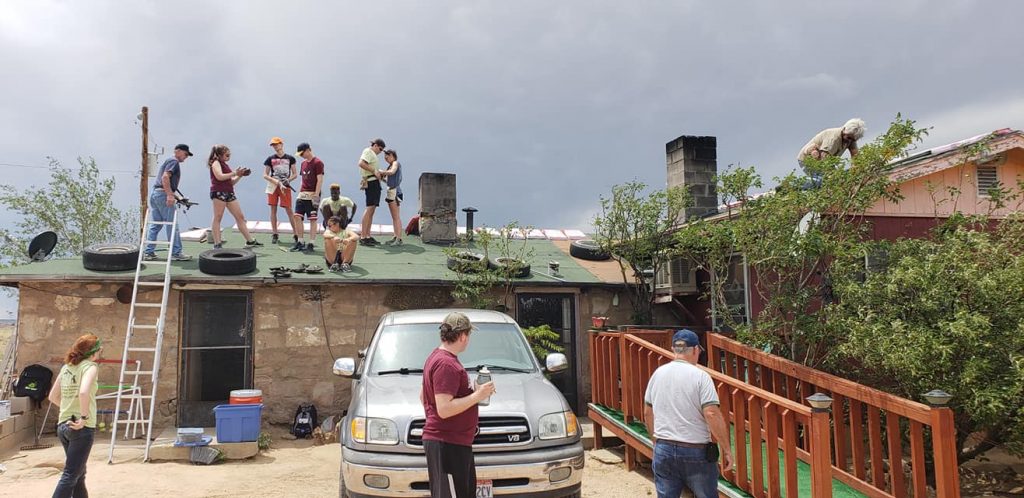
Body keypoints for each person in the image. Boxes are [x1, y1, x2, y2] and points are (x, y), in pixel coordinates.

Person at [643, 329, 734, 498]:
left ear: (673, 349)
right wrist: (726, 449)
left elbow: (648, 412)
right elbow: (711, 413)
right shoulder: (701, 376)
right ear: (694, 350)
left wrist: (655, 440)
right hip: (696, 450)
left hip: (664, 447)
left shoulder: (657, 374)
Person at [420, 312, 496, 498]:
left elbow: (423, 397)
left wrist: (472, 393)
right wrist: (478, 395)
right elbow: (444, 409)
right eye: (468, 335)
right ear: (462, 336)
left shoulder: (437, 358)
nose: (468, 339)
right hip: (448, 444)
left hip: (452, 443)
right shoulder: (447, 364)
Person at [47, 334, 102, 498]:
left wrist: (67, 409)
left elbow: (52, 397)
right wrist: (83, 418)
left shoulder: (66, 368)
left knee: (79, 473)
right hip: (81, 428)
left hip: (63, 425)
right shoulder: (90, 367)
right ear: (93, 352)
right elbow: (84, 391)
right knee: (71, 474)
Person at [143, 144, 193, 262]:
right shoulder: (173, 161)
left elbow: (165, 182)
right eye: (185, 154)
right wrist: (170, 195)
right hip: (162, 195)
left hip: (155, 194)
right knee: (172, 224)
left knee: (156, 224)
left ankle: (149, 252)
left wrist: (177, 197)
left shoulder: (168, 161)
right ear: (178, 151)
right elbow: (165, 178)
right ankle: (176, 252)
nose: (186, 157)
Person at [208, 144, 262, 249]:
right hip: (219, 192)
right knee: (218, 217)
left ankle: (249, 241)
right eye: (226, 155)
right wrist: (234, 173)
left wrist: (239, 175)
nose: (229, 156)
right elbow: (219, 176)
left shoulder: (225, 164)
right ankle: (217, 243)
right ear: (219, 155)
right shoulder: (216, 163)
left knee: (240, 216)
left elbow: (230, 182)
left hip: (229, 192)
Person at [797, 118, 866, 186]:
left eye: (853, 140)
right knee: (823, 181)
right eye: (848, 138)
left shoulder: (850, 138)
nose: (849, 141)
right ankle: (795, 185)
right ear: (844, 129)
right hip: (809, 159)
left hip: (826, 160)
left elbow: (855, 155)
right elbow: (824, 158)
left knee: (839, 177)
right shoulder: (833, 139)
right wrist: (833, 175)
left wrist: (855, 169)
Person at [262, 136, 302, 249]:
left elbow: (295, 173)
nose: (275, 147)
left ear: (281, 144)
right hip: (273, 185)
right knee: (273, 208)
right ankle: (274, 233)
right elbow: (265, 175)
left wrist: (288, 180)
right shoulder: (270, 159)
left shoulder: (290, 158)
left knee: (289, 209)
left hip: (285, 185)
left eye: (277, 144)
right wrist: (275, 180)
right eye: (273, 145)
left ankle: (296, 234)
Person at [294, 142, 324, 252]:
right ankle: (300, 241)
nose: (301, 155)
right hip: (302, 193)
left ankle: (311, 243)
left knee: (312, 219)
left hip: (313, 194)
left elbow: (320, 179)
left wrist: (316, 195)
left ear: (308, 150)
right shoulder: (302, 164)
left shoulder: (318, 162)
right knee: (297, 216)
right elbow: (303, 179)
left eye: (302, 153)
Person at [357, 138, 386, 246]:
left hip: (374, 181)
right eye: (380, 149)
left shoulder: (373, 155)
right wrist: (374, 171)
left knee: (372, 209)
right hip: (371, 182)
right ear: (375, 145)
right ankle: (363, 236)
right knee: (369, 208)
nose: (380, 151)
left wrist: (379, 173)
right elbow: (361, 163)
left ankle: (367, 235)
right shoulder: (368, 151)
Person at [381, 149, 404, 246]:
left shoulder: (395, 163)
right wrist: (382, 178)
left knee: (396, 216)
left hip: (395, 191)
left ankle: (398, 238)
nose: (386, 157)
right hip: (391, 191)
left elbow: (392, 172)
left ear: (393, 156)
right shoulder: (390, 166)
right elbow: (389, 180)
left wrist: (382, 172)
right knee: (394, 217)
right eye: (385, 156)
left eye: (388, 155)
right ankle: (396, 236)